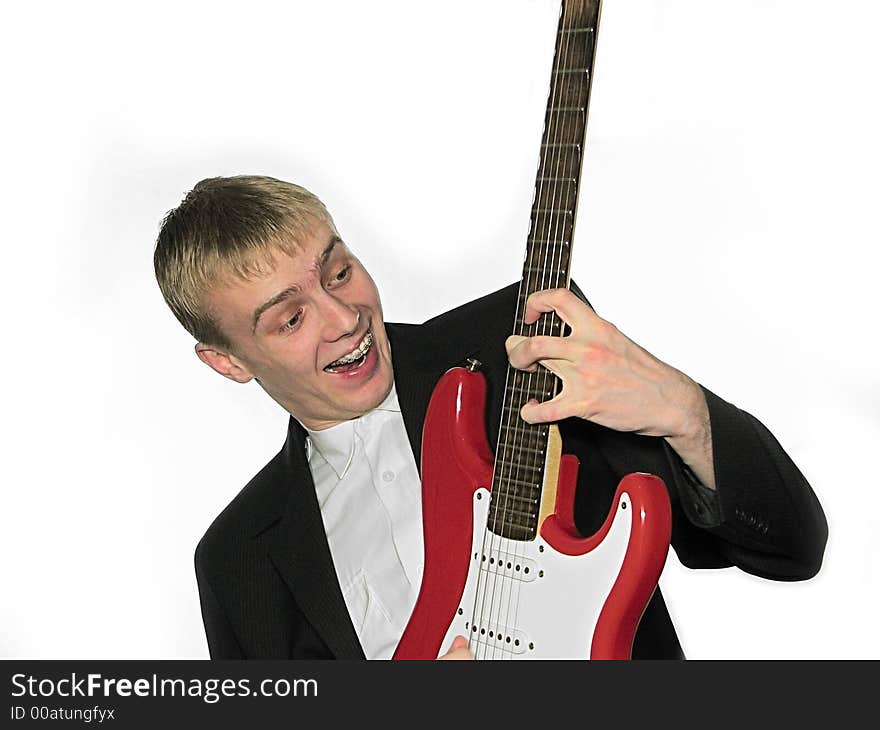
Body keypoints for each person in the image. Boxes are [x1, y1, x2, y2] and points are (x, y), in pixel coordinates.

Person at [153, 175, 827, 660]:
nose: (345, 318)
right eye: (291, 319)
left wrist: (684, 412)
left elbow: (792, 547)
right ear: (227, 361)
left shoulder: (522, 350)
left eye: (338, 272)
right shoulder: (236, 560)